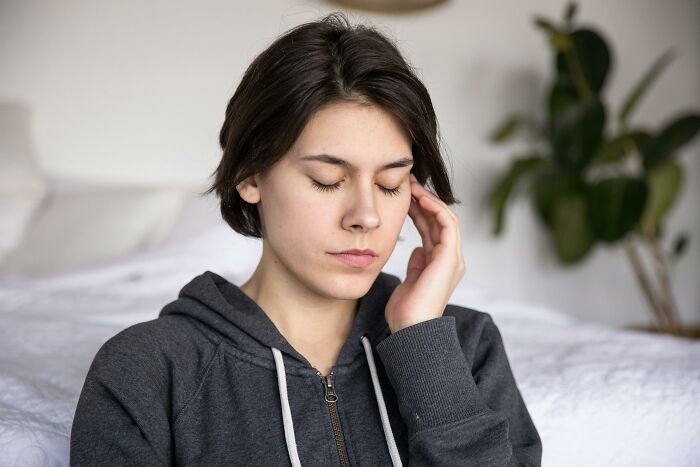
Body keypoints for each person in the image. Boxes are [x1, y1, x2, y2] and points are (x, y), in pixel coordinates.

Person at [70, 11, 542, 466]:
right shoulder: (149, 369)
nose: (367, 217)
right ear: (249, 175)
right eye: (326, 179)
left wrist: (421, 342)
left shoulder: (466, 347)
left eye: (390, 183)